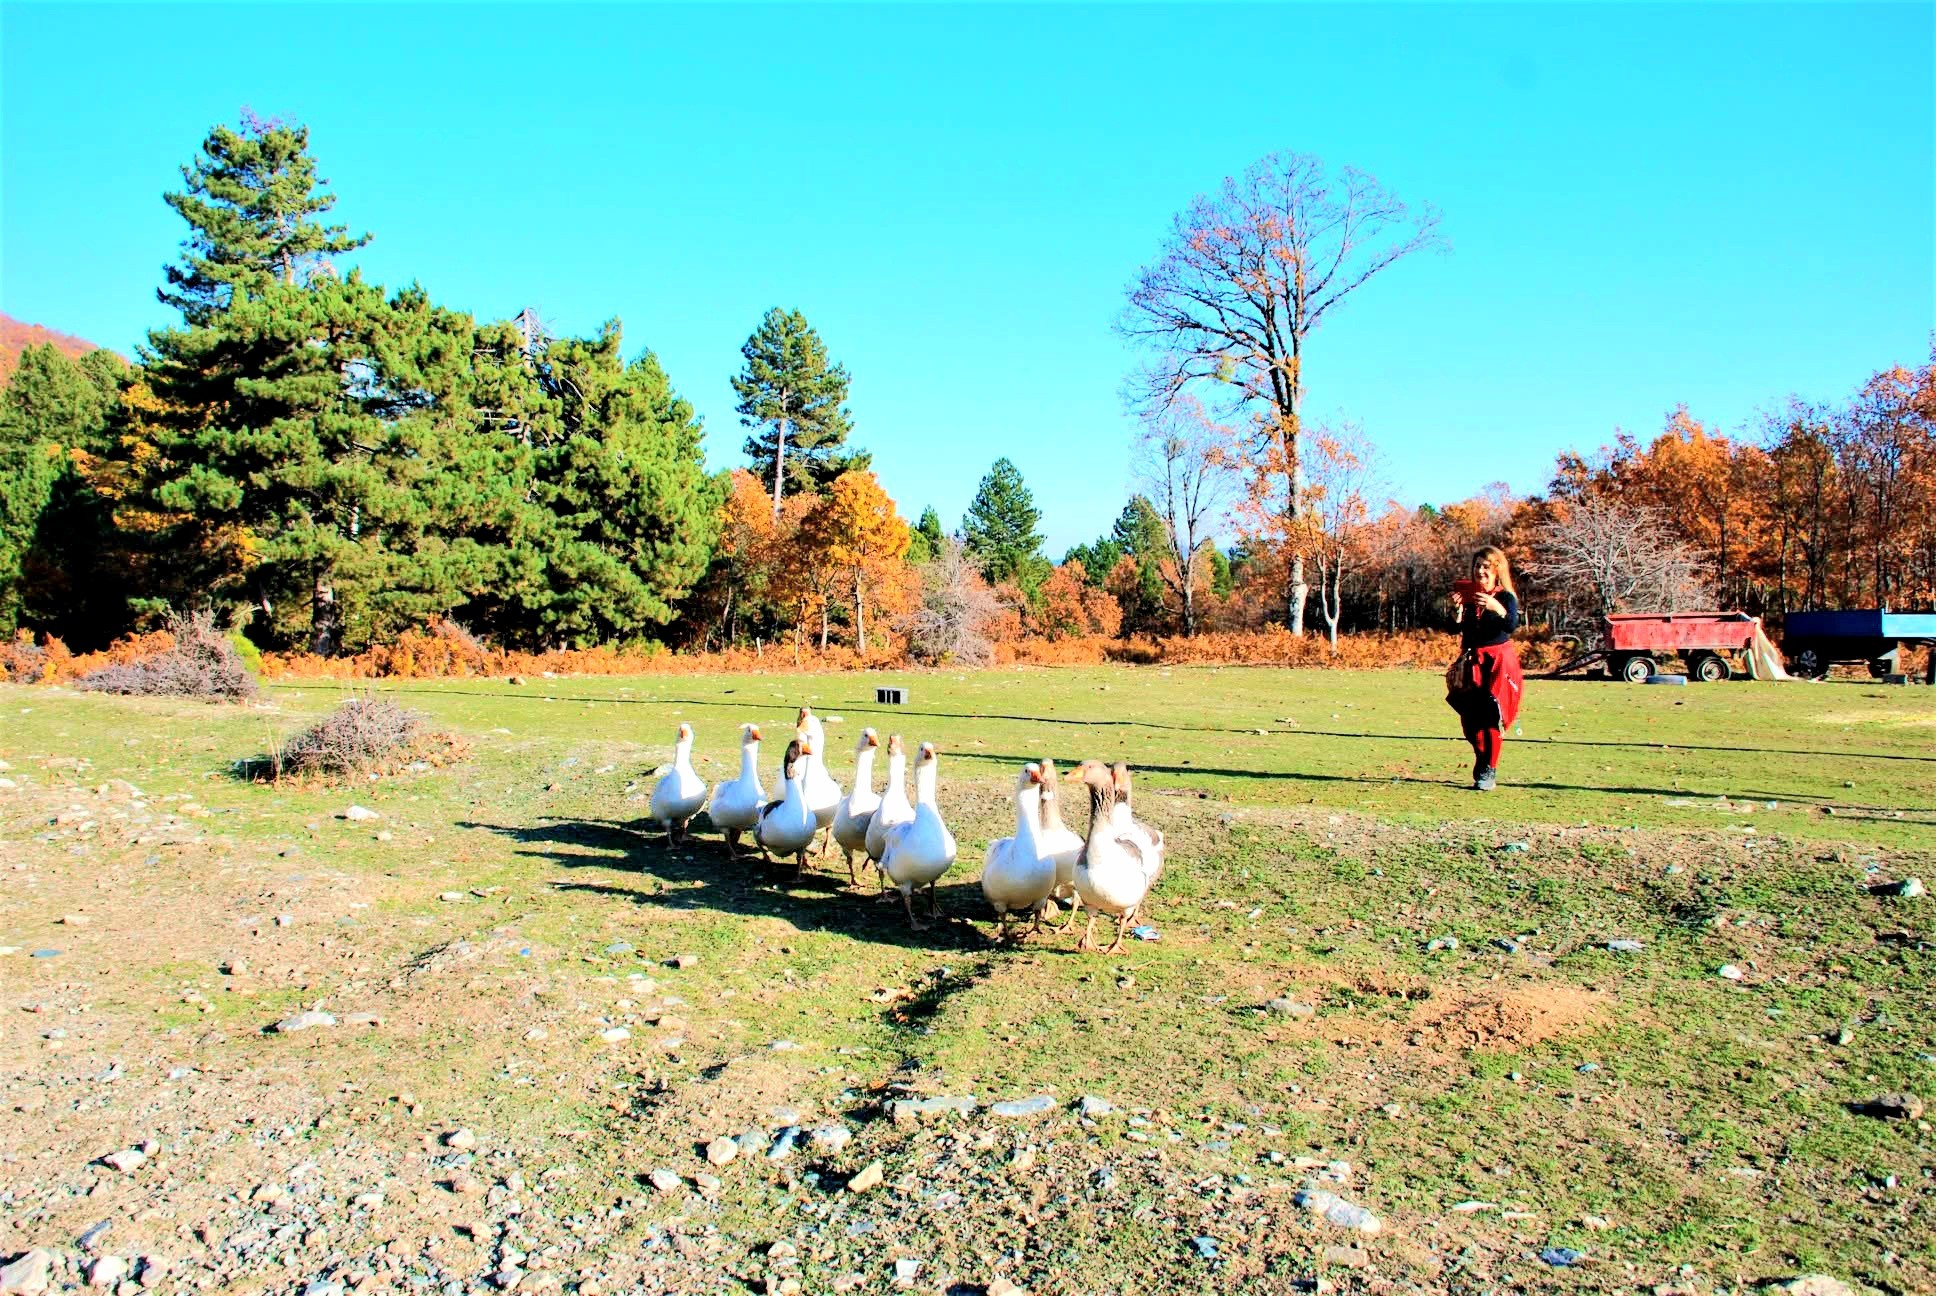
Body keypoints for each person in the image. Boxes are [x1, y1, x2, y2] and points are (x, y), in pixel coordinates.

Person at [1445, 545, 1524, 791]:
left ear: (1497, 570)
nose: (1481, 571)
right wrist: (1456, 613)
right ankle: (1483, 761)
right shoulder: (1470, 599)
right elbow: (1454, 630)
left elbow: (1511, 624)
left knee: (1490, 717)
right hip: (1472, 664)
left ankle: (1488, 769)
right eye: (1477, 566)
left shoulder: (1505, 597)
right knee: (1470, 721)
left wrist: (1495, 608)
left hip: (1497, 663)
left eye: (1486, 567)